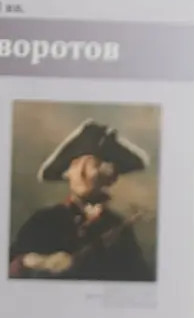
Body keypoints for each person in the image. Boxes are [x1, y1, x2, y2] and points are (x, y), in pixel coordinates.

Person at [8, 120, 155, 282]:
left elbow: (140, 280)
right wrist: (41, 262)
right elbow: (10, 268)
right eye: (76, 164)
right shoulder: (43, 220)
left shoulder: (118, 228)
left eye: (94, 164)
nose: (81, 172)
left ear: (111, 177)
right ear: (66, 173)